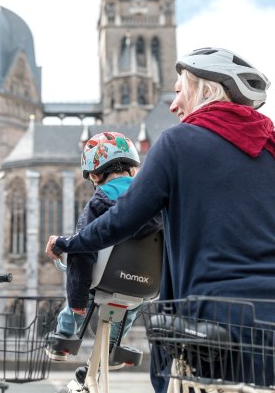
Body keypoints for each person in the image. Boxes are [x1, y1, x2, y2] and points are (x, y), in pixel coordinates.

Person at [46, 47, 275, 392]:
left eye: (179, 91)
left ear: (206, 91)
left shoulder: (177, 142)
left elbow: (124, 218)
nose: (172, 104)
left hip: (210, 320)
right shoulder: (269, 147)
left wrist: (72, 244)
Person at [45, 132, 163, 365]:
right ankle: (113, 346)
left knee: (86, 284)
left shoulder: (99, 201)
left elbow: (84, 249)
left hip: (104, 278)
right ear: (133, 169)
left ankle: (64, 337)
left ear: (96, 174)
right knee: (130, 303)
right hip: (145, 285)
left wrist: (77, 300)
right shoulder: (157, 200)